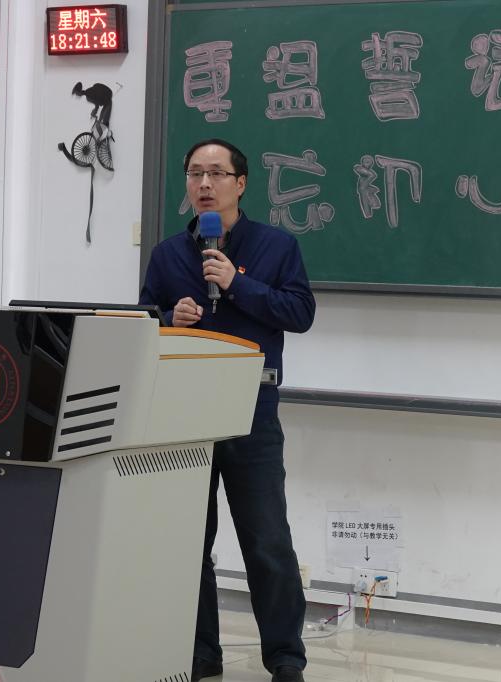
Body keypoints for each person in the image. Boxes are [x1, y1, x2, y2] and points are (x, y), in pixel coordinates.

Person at [139, 138, 315, 682]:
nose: (204, 184)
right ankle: (200, 652)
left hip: (251, 409)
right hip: (183, 411)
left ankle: (285, 656)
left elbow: (300, 312)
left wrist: (238, 285)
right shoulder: (169, 253)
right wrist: (169, 318)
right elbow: (143, 317)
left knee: (267, 540)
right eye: (195, 173)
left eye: (216, 173)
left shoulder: (276, 246)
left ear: (241, 183)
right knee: (190, 540)